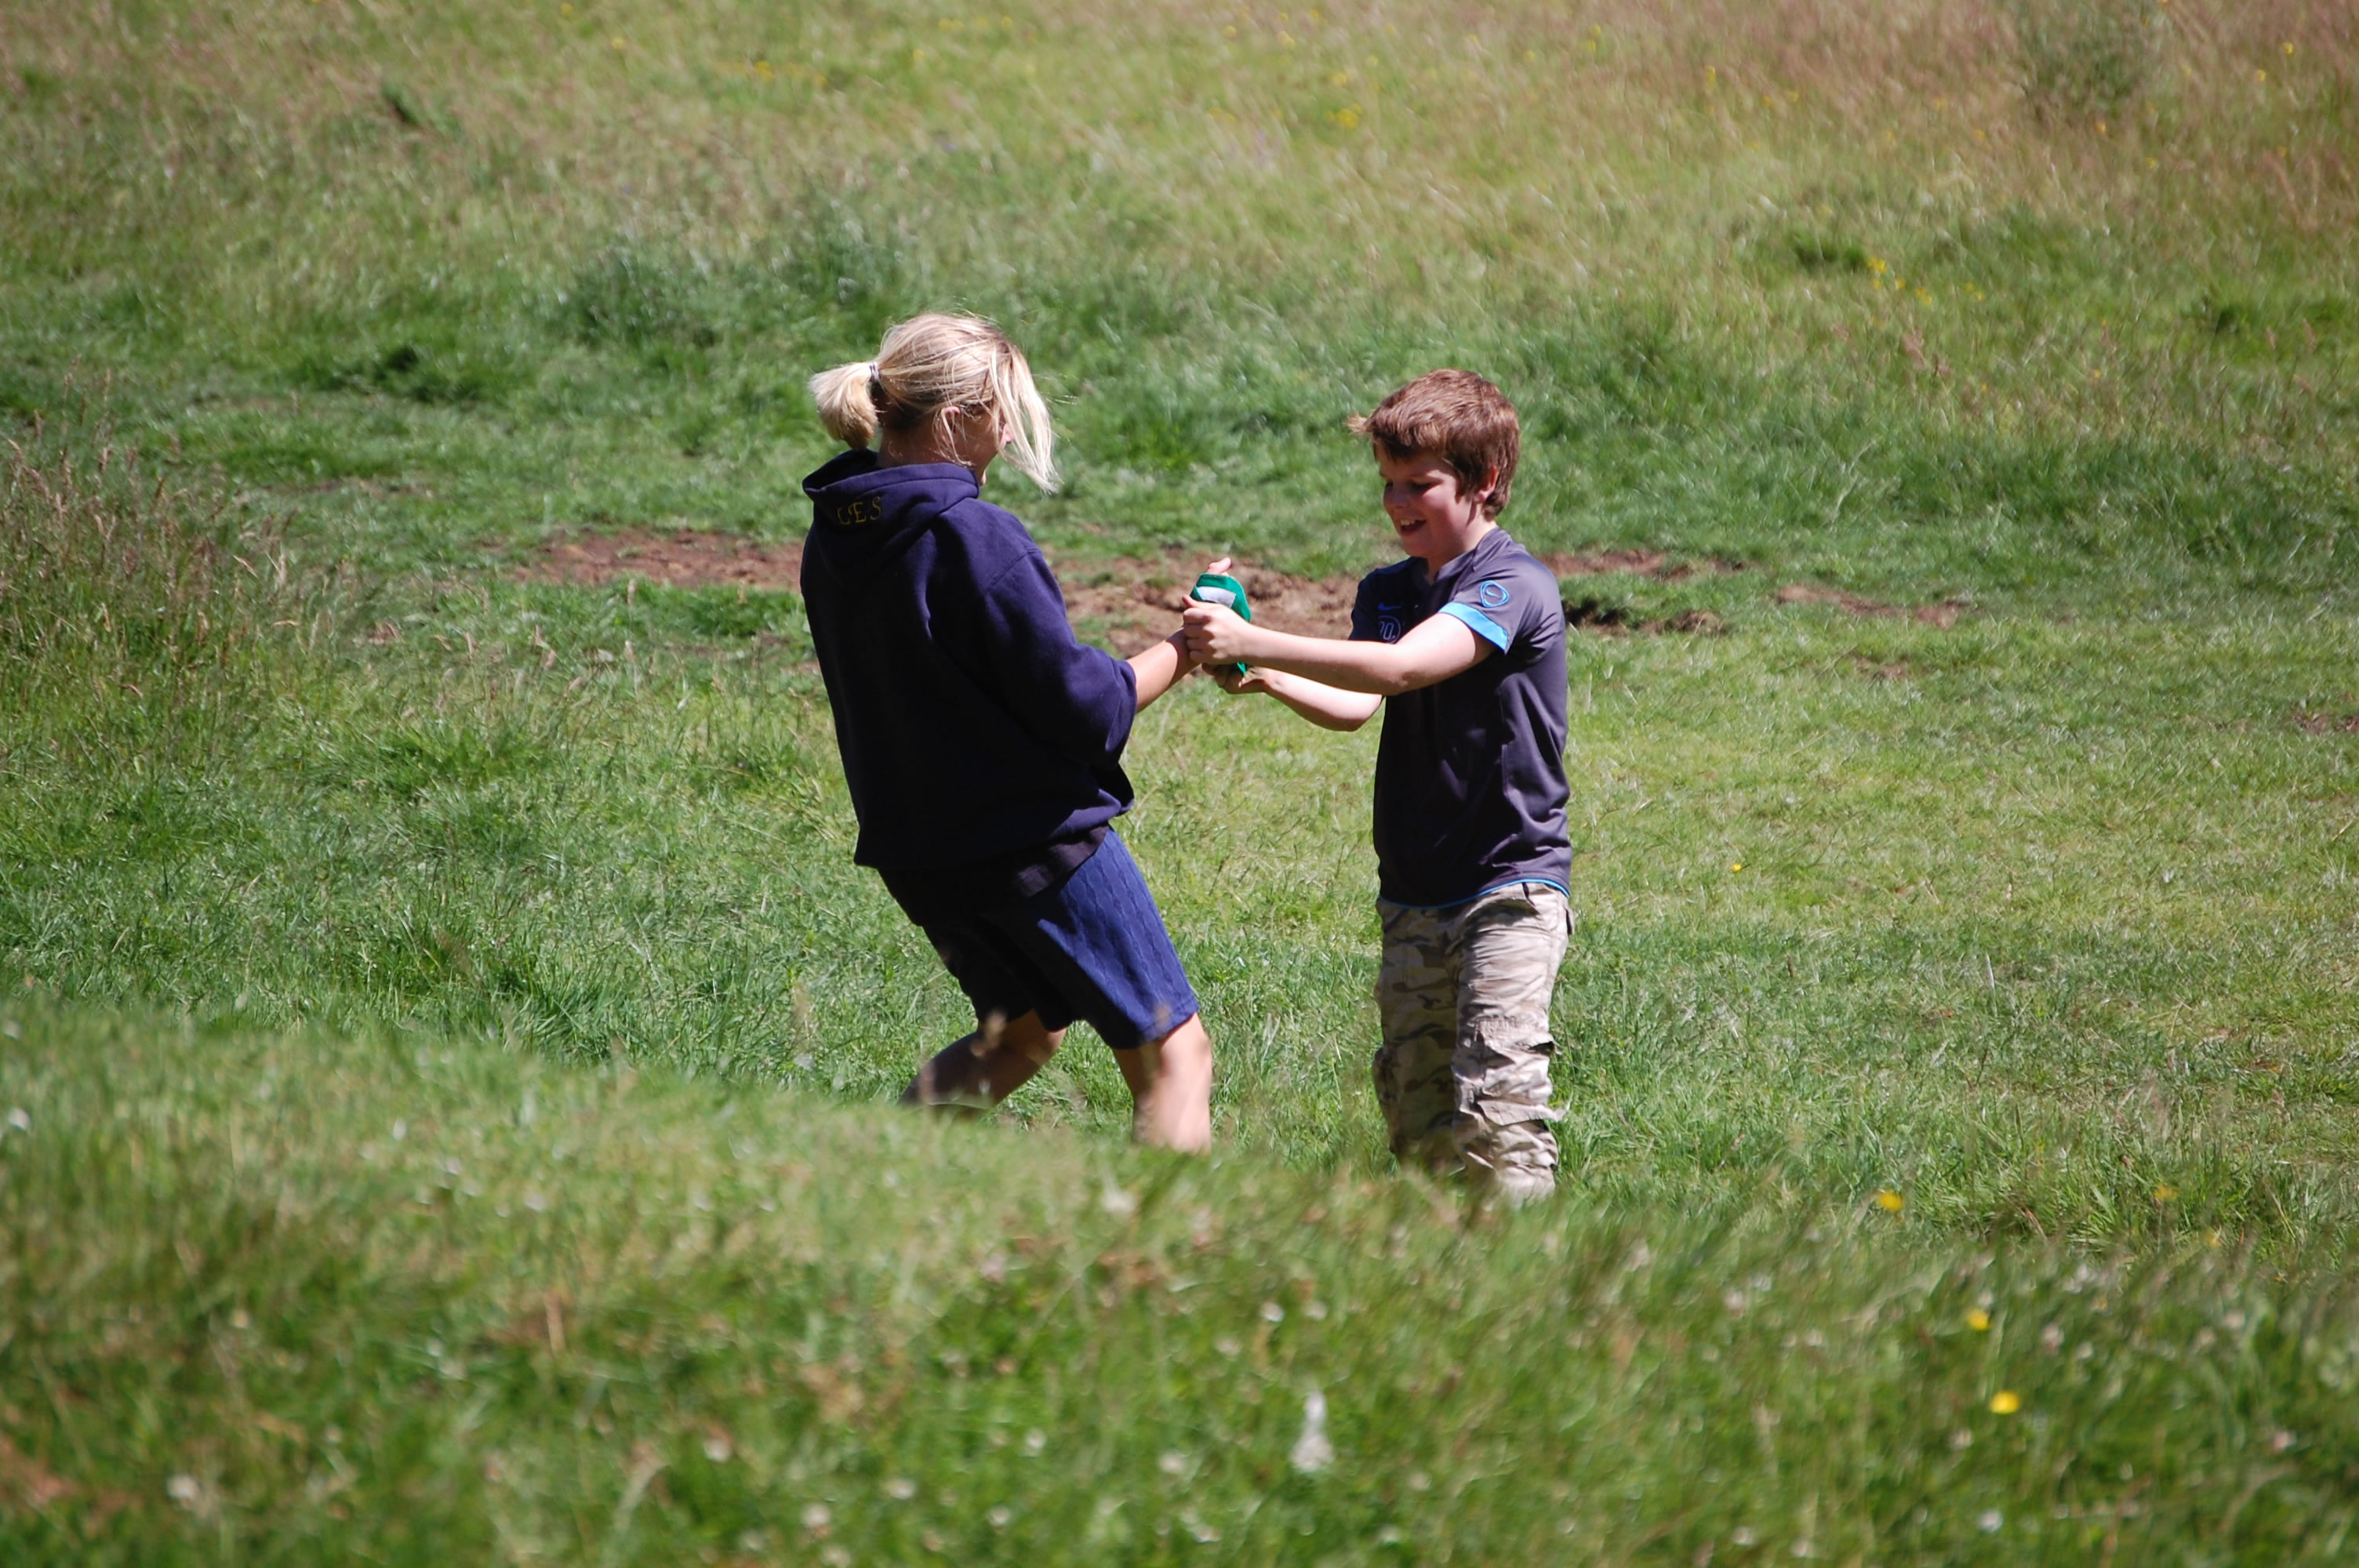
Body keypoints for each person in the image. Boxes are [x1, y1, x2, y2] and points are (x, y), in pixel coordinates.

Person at [798, 312, 1216, 1150]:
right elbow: (1086, 709)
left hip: (921, 854)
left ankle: (868, 1179)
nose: (1010, 431)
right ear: (959, 417)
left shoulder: (838, 537)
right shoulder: (975, 535)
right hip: (1033, 846)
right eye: (1002, 411)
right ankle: (1163, 1235)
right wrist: (1187, 647)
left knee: (1020, 1035)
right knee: (1175, 1055)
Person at [1183, 369, 1572, 1200]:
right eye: (1387, 483)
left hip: (1509, 886)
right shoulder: (1388, 591)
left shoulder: (1510, 584)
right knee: (1419, 1118)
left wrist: (1257, 637)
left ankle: (1529, 1259)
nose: (1397, 503)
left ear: (1483, 482)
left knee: (1499, 1104)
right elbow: (1358, 702)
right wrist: (1260, 673)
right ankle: (1446, 1256)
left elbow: (1401, 669)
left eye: (1418, 484)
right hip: (1413, 889)